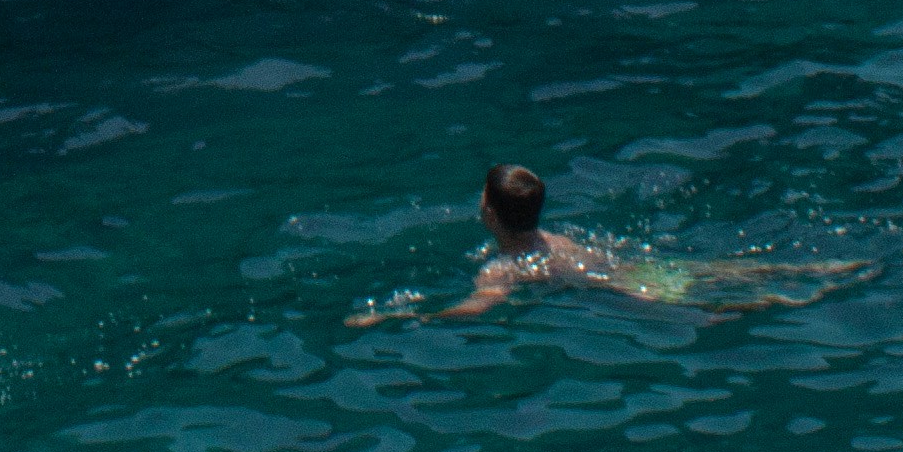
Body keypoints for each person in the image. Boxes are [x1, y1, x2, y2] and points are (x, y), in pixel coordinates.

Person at [353, 163, 859, 323]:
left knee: (719, 308)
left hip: (630, 290)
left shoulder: (502, 268)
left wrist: (401, 316)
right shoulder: (553, 237)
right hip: (636, 267)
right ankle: (831, 269)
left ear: (487, 210)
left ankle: (805, 294)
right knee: (725, 271)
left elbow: (478, 307)